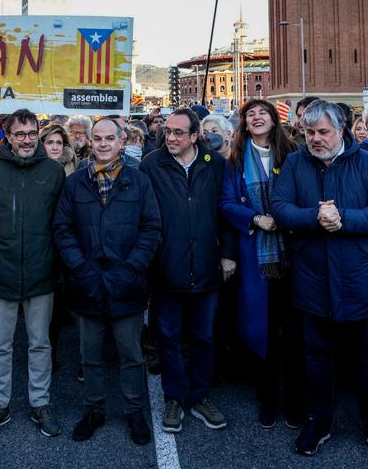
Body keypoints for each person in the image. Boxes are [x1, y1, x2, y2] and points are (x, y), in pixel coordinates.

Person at [270, 100, 368, 463]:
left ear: (341, 130)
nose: (315, 139)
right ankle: (319, 422)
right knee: (317, 359)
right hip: (312, 278)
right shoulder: (296, 163)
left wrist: (344, 218)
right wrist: (315, 217)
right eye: (309, 133)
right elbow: (280, 207)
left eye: (323, 132)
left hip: (359, 279)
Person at [54, 118, 161, 445]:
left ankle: (133, 411)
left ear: (121, 141)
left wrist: (132, 267)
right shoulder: (74, 184)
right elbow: (63, 229)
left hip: (126, 282)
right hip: (87, 284)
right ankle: (94, 410)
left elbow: (151, 228)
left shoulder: (139, 181)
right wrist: (79, 266)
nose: (102, 144)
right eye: (97, 138)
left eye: (109, 139)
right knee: (91, 355)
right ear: (90, 140)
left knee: (131, 355)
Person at [0, 108, 66, 440]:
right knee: (0, 346)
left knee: (40, 344)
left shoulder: (53, 172)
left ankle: (40, 403)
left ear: (38, 134)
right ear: (7, 135)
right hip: (0, 273)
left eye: (31, 133)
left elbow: (62, 224)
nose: (26, 140)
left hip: (41, 273)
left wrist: (61, 267)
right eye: (19, 134)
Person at [141, 108, 235, 434]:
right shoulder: (151, 164)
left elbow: (226, 213)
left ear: (195, 136)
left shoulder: (215, 165)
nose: (171, 137)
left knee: (204, 336)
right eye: (168, 131)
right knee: (167, 336)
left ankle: (199, 396)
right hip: (167, 267)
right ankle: (174, 398)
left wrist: (229, 255)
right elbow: (145, 215)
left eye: (179, 132)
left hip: (207, 266)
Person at [219, 99, 305, 429]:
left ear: (274, 120)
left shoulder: (294, 155)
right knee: (264, 328)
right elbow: (226, 204)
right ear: (244, 123)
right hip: (257, 254)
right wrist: (255, 217)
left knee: (296, 329)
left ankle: (296, 399)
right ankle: (267, 396)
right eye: (249, 114)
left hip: (295, 253)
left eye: (262, 113)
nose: (256, 117)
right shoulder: (235, 160)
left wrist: (289, 218)